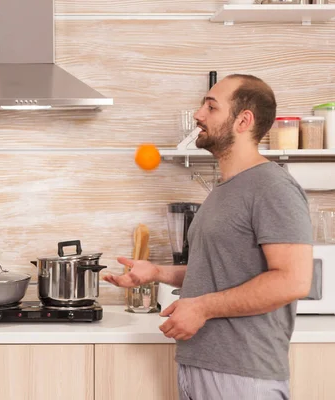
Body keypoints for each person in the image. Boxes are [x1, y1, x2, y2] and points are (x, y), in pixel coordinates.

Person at [105, 74, 313, 399]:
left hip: (242, 375)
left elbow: (293, 281)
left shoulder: (272, 187)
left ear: (243, 121)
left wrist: (201, 308)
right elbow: (224, 270)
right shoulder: (226, 189)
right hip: (201, 367)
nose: (199, 114)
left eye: (211, 107)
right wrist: (157, 273)